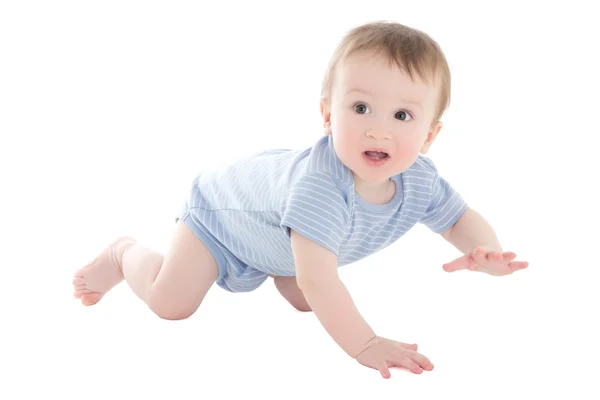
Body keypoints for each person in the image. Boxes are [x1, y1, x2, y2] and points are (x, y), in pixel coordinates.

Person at [72, 20, 529, 379]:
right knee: (172, 304)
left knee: (307, 298)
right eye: (361, 108)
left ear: (429, 135)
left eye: (403, 115)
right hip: (222, 219)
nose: (379, 129)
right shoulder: (321, 191)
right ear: (328, 114)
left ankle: (279, 263)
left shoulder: (421, 180)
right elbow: (320, 282)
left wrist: (481, 250)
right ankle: (123, 254)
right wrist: (365, 344)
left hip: (276, 230)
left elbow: (457, 220)